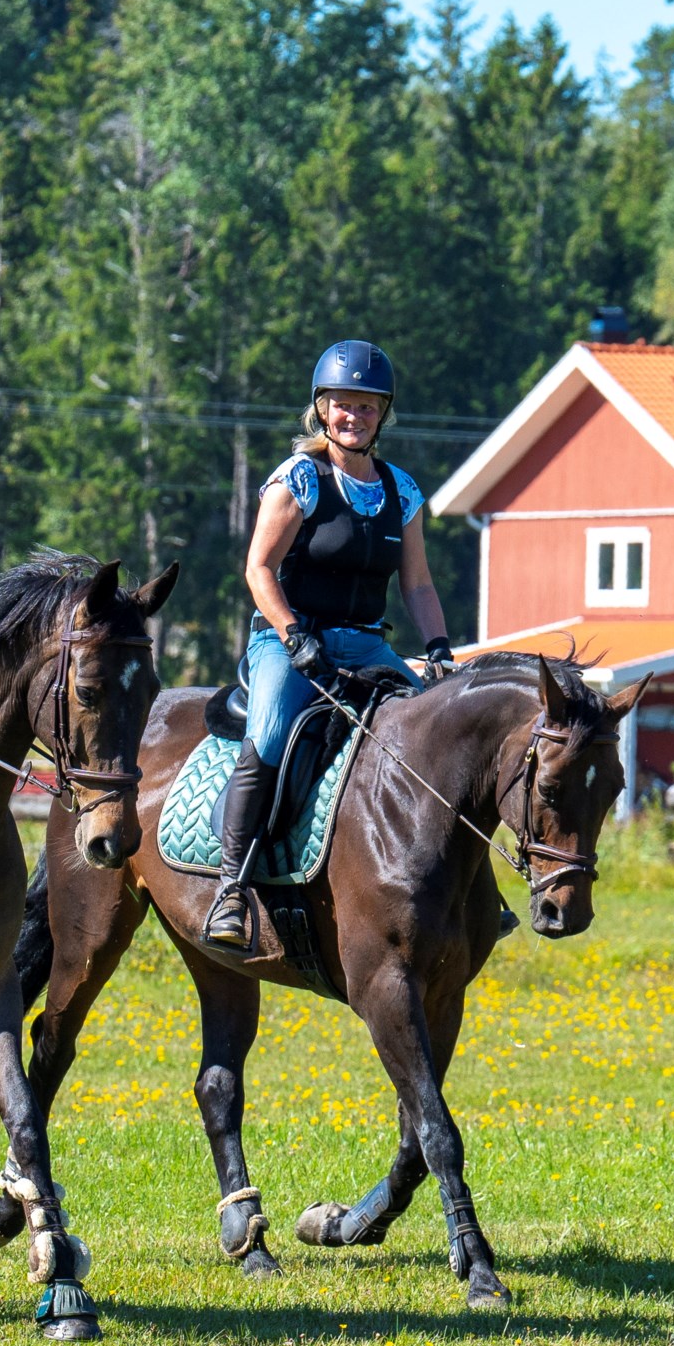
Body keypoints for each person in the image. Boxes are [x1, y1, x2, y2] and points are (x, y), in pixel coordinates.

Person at [206, 338, 455, 944]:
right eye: (343, 404)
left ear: (383, 415)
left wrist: (441, 647)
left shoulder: (402, 491)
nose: (354, 416)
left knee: (442, 733)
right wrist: (292, 636)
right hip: (288, 642)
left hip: (368, 645)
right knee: (268, 735)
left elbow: (417, 583)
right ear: (321, 409)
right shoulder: (299, 478)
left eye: (368, 407)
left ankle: (473, 888)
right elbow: (259, 568)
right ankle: (231, 889)